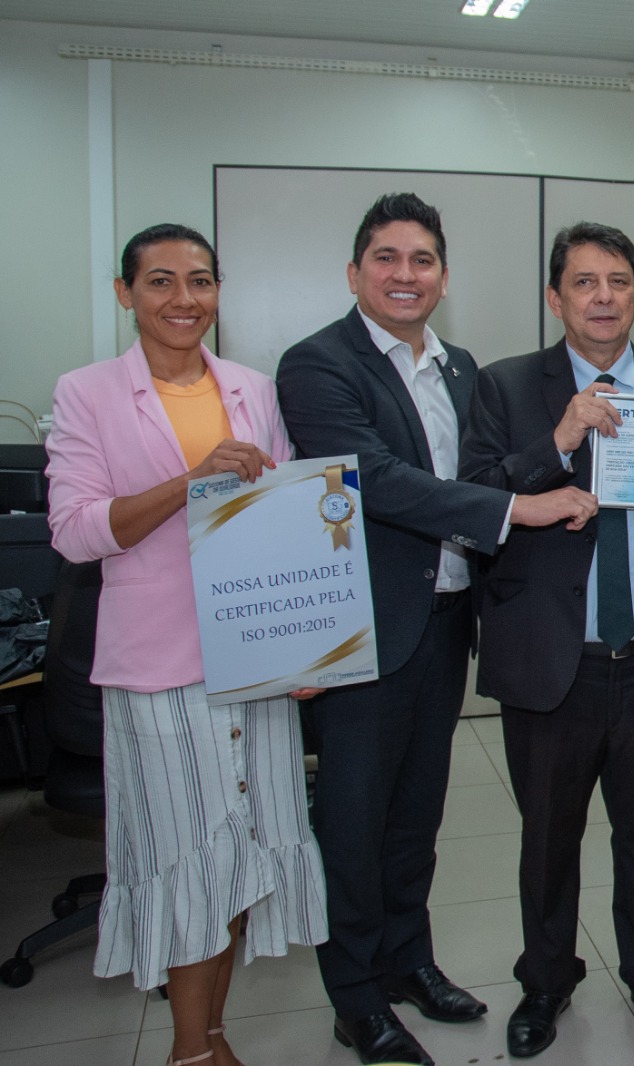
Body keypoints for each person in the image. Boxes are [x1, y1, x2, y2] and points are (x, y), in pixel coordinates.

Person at [276, 194, 595, 1066]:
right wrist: (519, 506)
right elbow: (374, 481)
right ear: (355, 273)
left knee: (417, 814)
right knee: (353, 817)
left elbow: (479, 474)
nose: (404, 275)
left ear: (443, 278)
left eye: (421, 261)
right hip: (363, 629)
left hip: (448, 620)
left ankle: (407, 961)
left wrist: (535, 473)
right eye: (386, 258)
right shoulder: (318, 365)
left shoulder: (459, 368)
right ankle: (354, 996)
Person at [45, 223, 328, 1066]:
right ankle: (189, 1049)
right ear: (125, 293)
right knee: (183, 862)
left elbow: (284, 523)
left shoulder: (253, 387)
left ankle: (210, 1034)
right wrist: (187, 480)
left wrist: (308, 651)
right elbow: (73, 533)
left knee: (242, 853)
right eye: (161, 281)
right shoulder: (87, 392)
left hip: (253, 657)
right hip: (160, 667)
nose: (184, 300)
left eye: (200, 281)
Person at [457, 221, 634, 1059]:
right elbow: (472, 504)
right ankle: (545, 982)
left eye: (617, 281)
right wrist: (560, 440)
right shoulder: (503, 387)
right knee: (548, 840)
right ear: (555, 296)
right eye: (583, 282)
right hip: (552, 661)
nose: (602, 297)